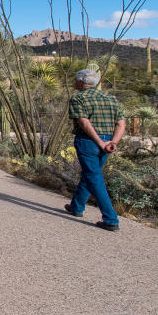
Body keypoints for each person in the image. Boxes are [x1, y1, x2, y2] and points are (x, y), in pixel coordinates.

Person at [65, 68, 125, 231]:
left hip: (88, 141)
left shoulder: (78, 98)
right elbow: (120, 123)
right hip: (108, 141)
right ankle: (76, 206)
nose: (75, 82)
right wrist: (113, 141)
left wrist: (99, 142)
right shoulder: (111, 98)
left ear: (82, 82)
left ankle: (110, 218)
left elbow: (83, 122)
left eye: (76, 80)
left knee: (94, 176)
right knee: (91, 173)